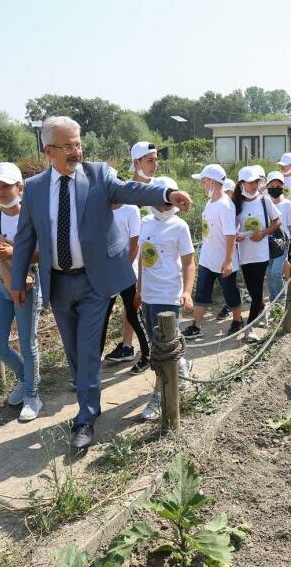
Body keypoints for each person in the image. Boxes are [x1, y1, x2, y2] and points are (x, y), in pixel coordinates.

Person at [10, 116, 192, 451]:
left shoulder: (99, 174)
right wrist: (19, 276)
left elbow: (131, 189)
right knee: (75, 354)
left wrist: (166, 193)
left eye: (79, 143)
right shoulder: (35, 188)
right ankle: (85, 397)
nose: (77, 151)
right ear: (49, 150)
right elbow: (24, 238)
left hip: (94, 283)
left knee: (89, 351)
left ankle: (86, 417)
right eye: (69, 146)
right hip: (59, 284)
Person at [0, 162, 42, 422]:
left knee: (28, 343)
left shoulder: (33, 216)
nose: (1, 192)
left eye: (6, 186)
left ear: (20, 187)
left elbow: (46, 255)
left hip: (27, 283)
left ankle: (32, 394)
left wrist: (14, 251)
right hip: (1, 284)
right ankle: (25, 377)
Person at [135, 176, 195, 420]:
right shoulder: (145, 222)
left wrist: (187, 291)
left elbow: (189, 262)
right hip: (148, 294)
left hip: (169, 295)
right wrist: (139, 289)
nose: (164, 204)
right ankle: (182, 366)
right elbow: (141, 259)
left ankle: (159, 397)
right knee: (155, 344)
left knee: (160, 349)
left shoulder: (180, 226)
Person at [100, 142, 153, 374]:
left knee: (134, 312)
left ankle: (147, 352)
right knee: (101, 315)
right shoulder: (100, 209)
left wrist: (124, 268)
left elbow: (135, 243)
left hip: (128, 270)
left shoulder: (130, 207)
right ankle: (95, 363)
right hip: (107, 271)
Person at [183, 164, 243, 339]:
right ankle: (196, 325)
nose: (202, 185)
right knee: (201, 292)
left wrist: (229, 260)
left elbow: (230, 234)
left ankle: (238, 320)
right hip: (207, 257)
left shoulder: (226, 205)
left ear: (212, 181)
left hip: (223, 260)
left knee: (230, 292)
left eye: (203, 181)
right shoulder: (211, 201)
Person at [234, 166, 281, 342]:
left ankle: (249, 327)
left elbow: (277, 221)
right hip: (245, 253)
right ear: (242, 183)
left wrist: (263, 233)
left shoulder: (264, 200)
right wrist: (237, 235)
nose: (254, 185)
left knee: (256, 292)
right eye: (250, 182)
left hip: (261, 253)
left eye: (256, 182)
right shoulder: (236, 203)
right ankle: (262, 309)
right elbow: (233, 226)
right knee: (253, 290)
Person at [265, 171, 291, 303]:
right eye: (272, 185)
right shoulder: (265, 202)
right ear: (267, 186)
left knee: (276, 272)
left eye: (278, 185)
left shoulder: (287, 204)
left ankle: (281, 298)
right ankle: (274, 298)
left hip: (283, 242)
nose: (275, 188)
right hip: (268, 242)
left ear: (283, 186)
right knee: (269, 272)